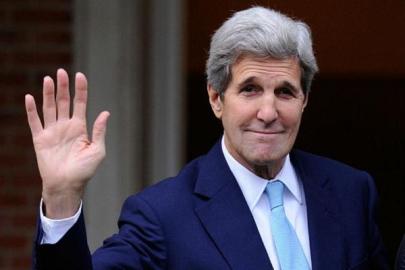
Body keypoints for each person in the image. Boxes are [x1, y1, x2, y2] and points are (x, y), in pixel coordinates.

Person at [26, 6, 389, 270]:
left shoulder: (351, 192)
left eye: (284, 92)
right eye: (249, 89)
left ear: (304, 100)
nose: (268, 112)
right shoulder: (163, 215)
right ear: (216, 99)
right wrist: (61, 199)